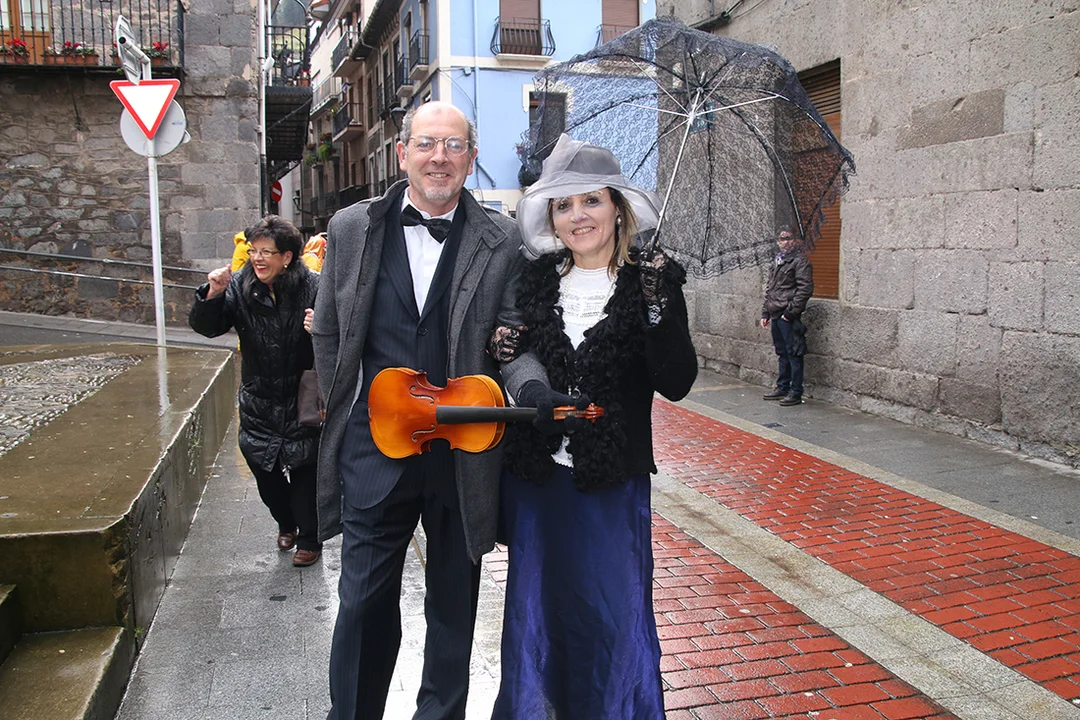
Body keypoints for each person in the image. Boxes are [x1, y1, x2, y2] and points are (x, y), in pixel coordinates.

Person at [311, 101, 525, 720]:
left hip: (464, 453)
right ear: (402, 153)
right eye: (427, 143)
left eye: (454, 145)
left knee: (454, 607)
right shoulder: (351, 227)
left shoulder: (503, 239)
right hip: (373, 448)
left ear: (471, 158)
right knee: (361, 604)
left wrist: (525, 383)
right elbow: (328, 331)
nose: (440, 157)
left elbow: (513, 334)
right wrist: (352, 407)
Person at [491, 134, 699, 719]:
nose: (577, 216)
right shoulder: (535, 281)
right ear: (550, 218)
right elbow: (514, 355)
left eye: (591, 201)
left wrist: (657, 305)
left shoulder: (650, 283)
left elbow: (676, 381)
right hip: (538, 484)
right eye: (563, 205)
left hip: (611, 485)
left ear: (617, 208)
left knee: (612, 616)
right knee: (538, 611)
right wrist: (523, 375)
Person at [189, 215, 323, 566]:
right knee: (265, 471)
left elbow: (342, 333)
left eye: (267, 252)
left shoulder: (314, 286)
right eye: (254, 251)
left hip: (303, 398)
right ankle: (286, 522)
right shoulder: (239, 285)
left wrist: (321, 327)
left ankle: (309, 539)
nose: (258, 259)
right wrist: (213, 294)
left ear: (287, 257)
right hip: (259, 399)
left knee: (306, 470)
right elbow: (208, 328)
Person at [760, 225, 814, 406]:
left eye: (789, 238)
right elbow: (770, 288)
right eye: (782, 239)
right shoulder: (777, 261)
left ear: (796, 240)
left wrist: (790, 313)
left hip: (787, 315)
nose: (786, 242)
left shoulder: (800, 261)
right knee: (782, 352)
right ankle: (782, 386)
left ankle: (795, 391)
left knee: (794, 353)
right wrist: (766, 312)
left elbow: (805, 289)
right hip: (775, 313)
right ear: (778, 242)